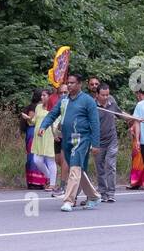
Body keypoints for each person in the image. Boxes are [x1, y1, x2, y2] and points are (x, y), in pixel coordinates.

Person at [39, 73, 100, 212]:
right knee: (77, 168)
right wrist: (44, 126)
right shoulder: (64, 100)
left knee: (75, 166)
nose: (70, 85)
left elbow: (95, 123)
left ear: (79, 84)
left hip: (82, 137)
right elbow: (53, 114)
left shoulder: (87, 100)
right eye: (69, 82)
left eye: (72, 83)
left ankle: (68, 200)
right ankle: (93, 196)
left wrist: (96, 143)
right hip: (67, 138)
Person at [21, 88, 55, 191]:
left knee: (50, 159)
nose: (42, 97)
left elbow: (55, 121)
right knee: (37, 160)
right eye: (41, 95)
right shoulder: (38, 107)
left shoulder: (53, 108)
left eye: (44, 95)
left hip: (48, 135)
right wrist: (28, 118)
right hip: (38, 136)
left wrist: (56, 133)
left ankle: (52, 184)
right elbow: (34, 121)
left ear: (49, 97)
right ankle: (49, 177)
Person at [94, 82, 121, 202]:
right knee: (100, 167)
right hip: (98, 141)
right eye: (103, 95)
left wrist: (134, 118)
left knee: (110, 165)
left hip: (112, 140)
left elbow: (121, 114)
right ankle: (103, 192)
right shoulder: (92, 106)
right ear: (97, 95)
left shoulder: (112, 104)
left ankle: (111, 193)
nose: (105, 97)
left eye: (107, 95)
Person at [128, 87, 144, 190]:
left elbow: (137, 120)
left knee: (140, 157)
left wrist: (133, 128)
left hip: (143, 133)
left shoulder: (141, 104)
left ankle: (137, 181)